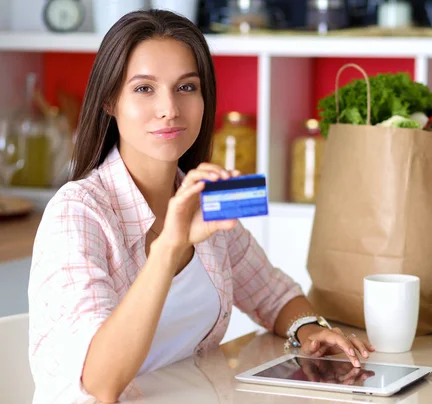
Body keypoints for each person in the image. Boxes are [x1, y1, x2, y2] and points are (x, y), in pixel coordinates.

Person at [27, 9, 374, 404]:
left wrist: (311, 331)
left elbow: (273, 296)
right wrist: (171, 245)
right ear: (110, 100)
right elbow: (100, 382)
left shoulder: (200, 197)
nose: (170, 109)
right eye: (144, 89)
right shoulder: (77, 213)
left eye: (186, 88)